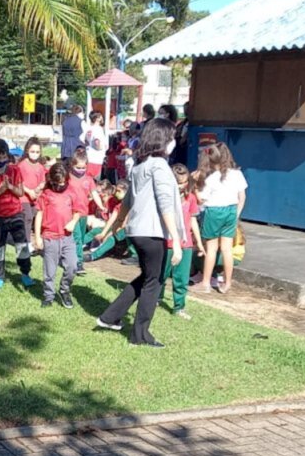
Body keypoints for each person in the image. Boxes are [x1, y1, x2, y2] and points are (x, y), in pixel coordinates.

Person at [95, 117, 184, 348]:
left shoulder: (139, 166)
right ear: (164, 140)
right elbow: (165, 204)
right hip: (153, 232)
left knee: (147, 278)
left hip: (137, 231)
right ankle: (140, 335)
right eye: (172, 137)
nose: (174, 142)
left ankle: (110, 317)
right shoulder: (160, 168)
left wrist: (119, 222)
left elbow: (127, 200)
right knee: (153, 283)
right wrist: (175, 239)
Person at [194, 142, 247, 294]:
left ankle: (205, 283)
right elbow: (242, 196)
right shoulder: (237, 174)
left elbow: (201, 200)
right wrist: (236, 214)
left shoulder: (211, 179)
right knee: (226, 249)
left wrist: (195, 188)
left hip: (214, 212)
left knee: (211, 248)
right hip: (231, 211)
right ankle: (227, 283)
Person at [0, 139, 32, 288]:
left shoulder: (15, 170)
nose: (2, 161)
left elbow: (20, 192)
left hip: (15, 213)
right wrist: (1, 190)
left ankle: (25, 273)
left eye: (4, 157)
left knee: (21, 246)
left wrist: (9, 186)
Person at [33, 163, 79, 308]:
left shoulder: (71, 192)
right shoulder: (46, 194)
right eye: (57, 183)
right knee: (49, 269)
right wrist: (38, 237)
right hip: (50, 236)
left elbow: (77, 211)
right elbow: (39, 215)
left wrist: (73, 222)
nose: (61, 186)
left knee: (72, 266)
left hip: (67, 237)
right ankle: (48, 295)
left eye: (63, 183)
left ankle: (65, 289)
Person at [162, 163, 204, 320]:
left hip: (185, 244)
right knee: (161, 274)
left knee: (181, 278)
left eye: (184, 182)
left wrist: (198, 242)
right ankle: (156, 299)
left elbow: (193, 221)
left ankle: (179, 306)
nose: (182, 186)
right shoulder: (164, 198)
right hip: (166, 244)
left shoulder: (190, 198)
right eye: (178, 183)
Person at [66, 148, 105, 275]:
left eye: (83, 168)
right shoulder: (68, 178)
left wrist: (101, 206)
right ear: (72, 165)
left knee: (80, 238)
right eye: (78, 167)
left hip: (84, 214)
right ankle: (78, 263)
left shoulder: (88, 179)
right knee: (77, 238)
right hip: (71, 213)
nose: (81, 170)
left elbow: (94, 193)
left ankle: (70, 257)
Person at [84, 179, 130, 263]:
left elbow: (123, 224)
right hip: (116, 225)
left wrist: (108, 234)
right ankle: (76, 246)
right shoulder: (118, 204)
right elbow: (111, 220)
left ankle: (93, 256)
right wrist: (103, 233)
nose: (116, 193)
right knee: (96, 231)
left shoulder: (130, 204)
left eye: (119, 191)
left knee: (112, 237)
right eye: (116, 190)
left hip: (125, 228)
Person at [16, 137, 47, 253]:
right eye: (32, 152)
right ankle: (27, 242)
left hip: (35, 197)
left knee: (35, 217)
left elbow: (43, 181)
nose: (35, 154)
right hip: (23, 196)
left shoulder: (40, 166)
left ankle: (30, 238)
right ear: (27, 150)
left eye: (37, 152)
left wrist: (39, 188)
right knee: (27, 217)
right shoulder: (22, 165)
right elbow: (18, 182)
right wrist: (29, 191)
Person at [83, 111, 107, 178]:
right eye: (100, 116)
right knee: (95, 180)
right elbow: (97, 141)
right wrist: (101, 147)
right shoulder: (98, 129)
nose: (102, 118)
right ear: (97, 118)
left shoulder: (89, 128)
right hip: (96, 158)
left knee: (87, 178)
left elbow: (85, 141)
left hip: (89, 156)